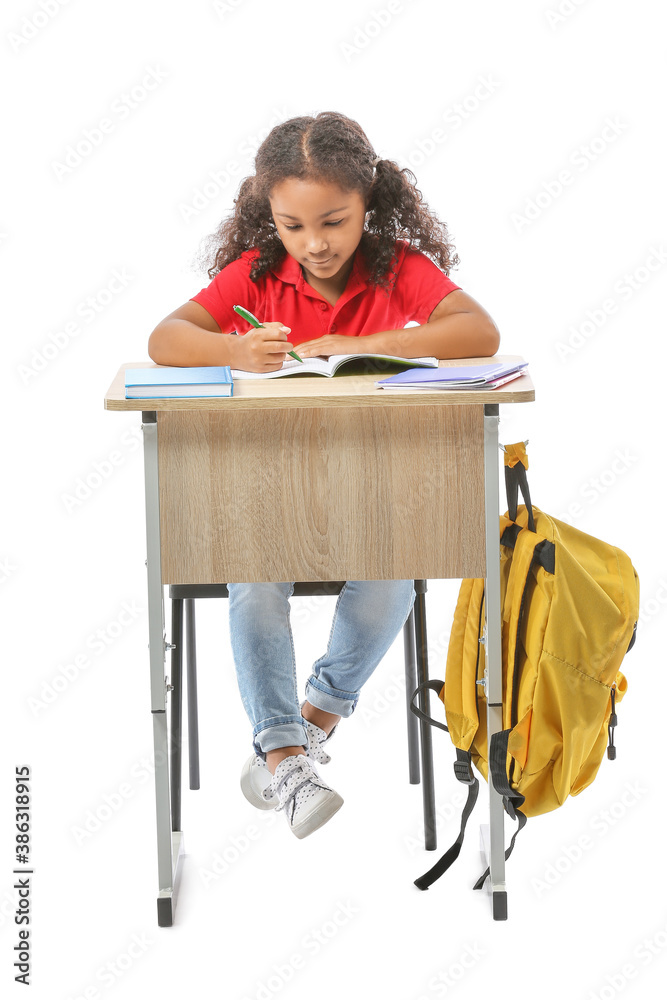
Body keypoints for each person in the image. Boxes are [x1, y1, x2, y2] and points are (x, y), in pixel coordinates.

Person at [148, 111, 499, 839]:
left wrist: (363, 340)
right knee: (252, 580)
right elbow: (164, 339)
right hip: (262, 490)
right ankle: (283, 759)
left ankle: (315, 719)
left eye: (334, 221)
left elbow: (478, 332)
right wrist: (234, 353)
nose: (314, 244)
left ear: (369, 204)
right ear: (267, 216)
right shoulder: (254, 273)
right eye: (292, 225)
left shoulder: (394, 266)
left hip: (368, 489)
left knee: (396, 572)